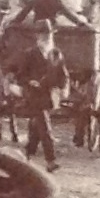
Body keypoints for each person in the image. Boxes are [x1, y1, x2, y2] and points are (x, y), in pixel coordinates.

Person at [18, 34, 70, 171]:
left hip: (49, 95)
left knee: (37, 125)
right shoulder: (29, 54)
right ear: (38, 39)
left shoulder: (56, 54)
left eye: (49, 37)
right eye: (44, 37)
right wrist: (30, 81)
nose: (47, 40)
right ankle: (50, 161)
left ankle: (29, 152)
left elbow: (63, 75)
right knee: (45, 126)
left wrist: (61, 86)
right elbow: (21, 75)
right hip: (33, 94)